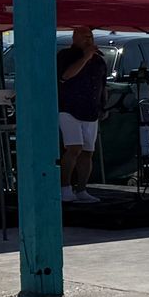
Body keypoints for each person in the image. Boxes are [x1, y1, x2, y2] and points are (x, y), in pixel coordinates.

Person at [56, 27, 109, 204]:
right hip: (69, 109)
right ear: (75, 38)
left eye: (91, 37)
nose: (88, 40)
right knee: (74, 148)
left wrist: (103, 106)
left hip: (91, 110)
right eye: (84, 37)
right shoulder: (66, 55)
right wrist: (85, 57)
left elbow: (103, 86)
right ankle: (65, 188)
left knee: (87, 151)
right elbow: (66, 76)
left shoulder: (99, 61)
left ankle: (82, 189)